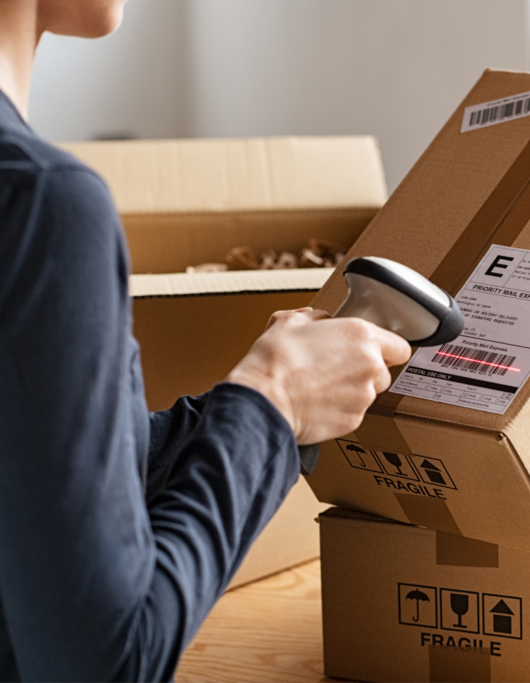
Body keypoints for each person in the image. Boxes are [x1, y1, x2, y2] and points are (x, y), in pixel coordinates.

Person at [0, 1, 412, 681]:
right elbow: (104, 664)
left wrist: (237, 413)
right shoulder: (42, 206)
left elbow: (30, 469)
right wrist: (274, 402)